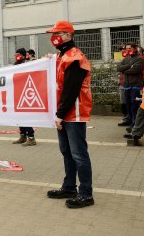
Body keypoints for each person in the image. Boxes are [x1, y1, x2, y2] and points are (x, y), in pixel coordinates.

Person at [45, 20, 94, 209]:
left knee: (79, 154)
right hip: (64, 113)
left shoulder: (75, 58)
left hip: (74, 113)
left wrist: (60, 114)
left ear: (68, 35)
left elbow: (71, 89)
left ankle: (86, 193)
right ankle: (69, 187)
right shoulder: (62, 56)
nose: (53, 37)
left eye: (57, 33)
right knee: (67, 152)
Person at [116, 43, 144, 134]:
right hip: (127, 86)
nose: (127, 50)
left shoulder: (139, 58)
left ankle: (136, 126)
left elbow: (136, 70)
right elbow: (118, 68)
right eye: (126, 48)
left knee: (135, 106)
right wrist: (129, 67)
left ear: (135, 48)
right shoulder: (126, 59)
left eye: (130, 48)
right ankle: (132, 125)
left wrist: (125, 70)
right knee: (128, 107)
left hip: (136, 86)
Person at [12, 48, 37, 146]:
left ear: (23, 55)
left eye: (18, 54)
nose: (16, 56)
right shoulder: (14, 65)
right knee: (19, 117)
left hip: (25, 94)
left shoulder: (28, 64)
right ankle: (22, 135)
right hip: (16, 93)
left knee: (25, 117)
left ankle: (31, 137)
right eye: (15, 54)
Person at [117, 46, 130, 126]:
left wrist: (123, 68)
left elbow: (129, 68)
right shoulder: (123, 60)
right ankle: (126, 117)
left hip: (128, 84)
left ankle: (128, 119)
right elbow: (119, 68)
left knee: (127, 102)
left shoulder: (131, 59)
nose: (122, 52)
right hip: (122, 83)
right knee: (123, 102)